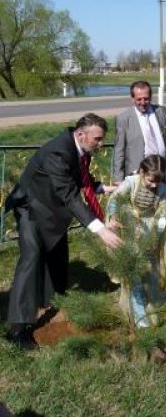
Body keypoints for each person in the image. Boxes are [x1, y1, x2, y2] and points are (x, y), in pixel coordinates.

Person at [5, 113, 122, 350]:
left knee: (57, 253)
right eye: (97, 139)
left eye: (102, 139)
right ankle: (18, 328)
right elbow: (69, 194)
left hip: (51, 208)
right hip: (31, 208)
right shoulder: (58, 152)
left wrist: (104, 187)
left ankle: (53, 300)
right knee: (31, 259)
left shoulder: (77, 148)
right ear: (81, 134)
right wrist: (100, 230)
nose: (101, 144)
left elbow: (80, 178)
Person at [107, 155, 166, 328]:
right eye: (150, 180)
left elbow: (162, 214)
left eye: (158, 181)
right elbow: (115, 200)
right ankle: (140, 317)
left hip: (150, 231)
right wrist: (114, 217)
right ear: (141, 172)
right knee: (135, 273)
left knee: (151, 272)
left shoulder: (162, 189)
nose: (154, 185)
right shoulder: (131, 182)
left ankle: (152, 306)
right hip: (130, 229)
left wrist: (156, 234)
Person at [112, 80, 166, 182]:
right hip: (138, 174)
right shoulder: (123, 118)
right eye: (139, 99)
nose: (143, 103)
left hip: (163, 172)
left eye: (146, 99)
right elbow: (119, 151)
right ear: (132, 98)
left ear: (151, 97)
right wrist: (118, 180)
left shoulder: (162, 112)